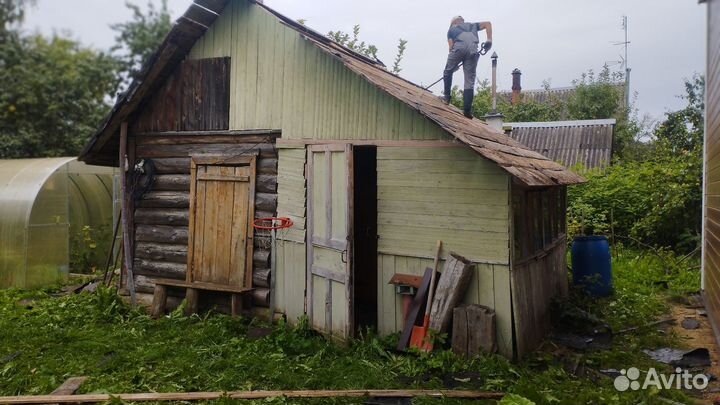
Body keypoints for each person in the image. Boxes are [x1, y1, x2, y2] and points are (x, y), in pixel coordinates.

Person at [440, 16, 492, 118]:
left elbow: (451, 47)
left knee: (447, 71)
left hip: (459, 47)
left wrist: (453, 65)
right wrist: (489, 40)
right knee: (469, 81)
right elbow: (488, 24)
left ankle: (446, 98)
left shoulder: (451, 29)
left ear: (453, 23)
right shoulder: (473, 25)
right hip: (473, 49)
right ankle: (467, 111)